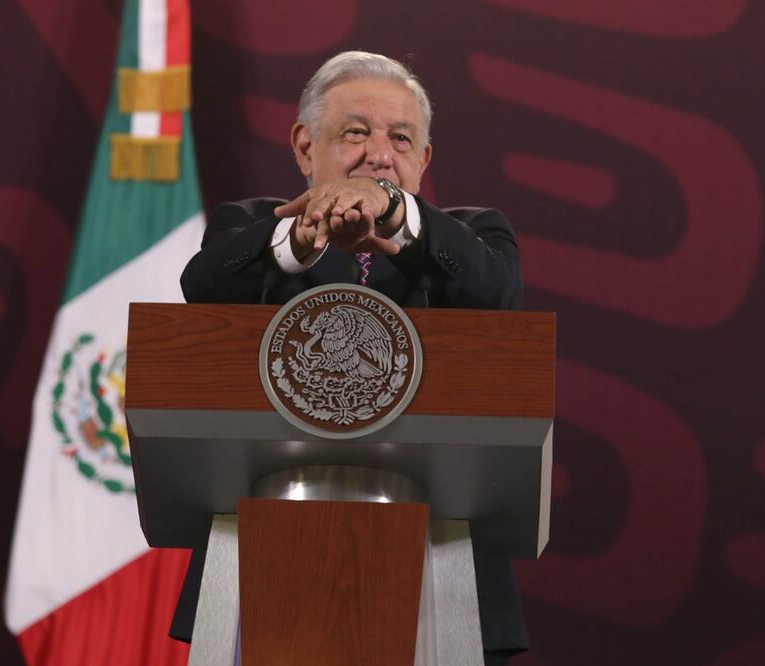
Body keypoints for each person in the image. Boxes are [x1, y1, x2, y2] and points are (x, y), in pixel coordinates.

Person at [175, 51, 527, 663]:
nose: (379, 154)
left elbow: (495, 293)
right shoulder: (251, 228)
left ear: (423, 159)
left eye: (400, 137)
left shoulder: (475, 236)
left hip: (439, 571)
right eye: (356, 133)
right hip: (266, 562)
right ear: (305, 147)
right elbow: (202, 286)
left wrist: (393, 213)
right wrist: (299, 240)